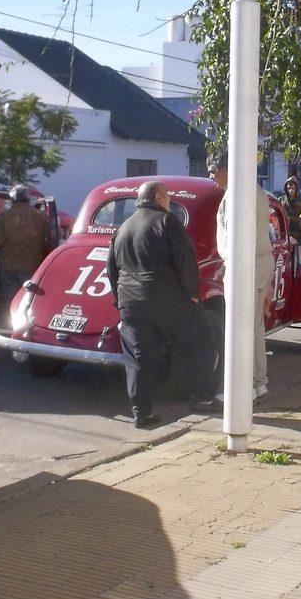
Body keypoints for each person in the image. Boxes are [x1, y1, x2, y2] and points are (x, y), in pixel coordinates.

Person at [106, 181, 217, 427]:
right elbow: (185, 260)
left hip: (131, 303)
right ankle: (202, 398)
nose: (169, 200)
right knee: (201, 340)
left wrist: (120, 298)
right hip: (167, 300)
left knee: (138, 358)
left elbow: (111, 268)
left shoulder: (123, 227)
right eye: (167, 196)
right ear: (157, 198)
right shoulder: (167, 222)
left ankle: (142, 413)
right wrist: (192, 294)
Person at [209, 153, 274, 400]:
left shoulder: (238, 193)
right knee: (254, 326)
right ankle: (258, 382)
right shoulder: (255, 190)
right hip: (256, 260)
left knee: (240, 327)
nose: (211, 176)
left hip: (245, 263)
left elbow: (236, 233)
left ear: (226, 168)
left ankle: (242, 387)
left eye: (214, 171)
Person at [0, 184, 49, 302]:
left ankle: (13, 319)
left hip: (8, 268)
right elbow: (53, 236)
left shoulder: (4, 217)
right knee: (30, 301)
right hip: (32, 267)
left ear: (12, 199)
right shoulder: (41, 216)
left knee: (12, 302)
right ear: (28, 198)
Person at [280, 176, 301, 257]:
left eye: (293, 188)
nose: (290, 190)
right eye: (289, 188)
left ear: (296, 189)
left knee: (296, 258)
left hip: (297, 235)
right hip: (284, 234)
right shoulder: (282, 200)